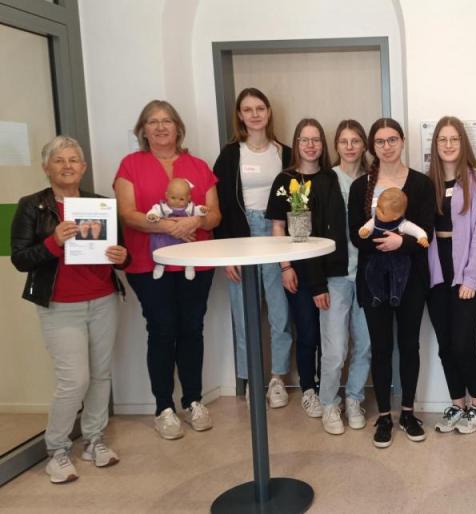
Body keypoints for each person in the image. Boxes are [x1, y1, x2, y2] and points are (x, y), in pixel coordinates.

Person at [11, 136, 130, 483]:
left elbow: (121, 253)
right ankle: (57, 450)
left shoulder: (100, 204)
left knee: (101, 374)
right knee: (74, 380)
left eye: (73, 160)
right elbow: (20, 259)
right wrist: (54, 242)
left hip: (103, 300)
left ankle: (94, 440)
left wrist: (123, 257)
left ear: (83, 167)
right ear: (46, 167)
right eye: (59, 160)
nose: (67, 166)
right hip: (60, 305)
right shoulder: (32, 206)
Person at [114, 100, 222, 440]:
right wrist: (167, 226)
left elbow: (214, 215)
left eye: (167, 121)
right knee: (162, 330)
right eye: (152, 121)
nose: (160, 127)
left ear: (178, 128)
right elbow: (127, 213)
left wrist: (195, 221)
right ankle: (164, 407)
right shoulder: (130, 165)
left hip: (196, 262)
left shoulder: (198, 166)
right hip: (149, 265)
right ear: (143, 130)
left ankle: (193, 401)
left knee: (192, 328)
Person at [348, 118, 435, 448]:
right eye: (380, 141)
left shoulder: (421, 184)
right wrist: (387, 242)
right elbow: (357, 235)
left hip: (411, 280)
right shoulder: (360, 187)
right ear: (373, 146)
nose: (387, 146)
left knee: (410, 346)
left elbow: (425, 234)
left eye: (392, 140)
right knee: (381, 347)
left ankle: (408, 414)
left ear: (402, 142)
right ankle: (384, 416)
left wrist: (403, 242)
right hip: (373, 281)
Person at [212, 87, 294, 409]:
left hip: (276, 234)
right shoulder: (230, 154)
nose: (255, 114)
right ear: (240, 115)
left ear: (269, 111)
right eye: (248, 109)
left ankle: (277, 378)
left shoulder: (284, 153)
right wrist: (226, 255)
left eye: (260, 108)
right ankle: (251, 380)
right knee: (245, 315)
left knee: (279, 311)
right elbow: (220, 205)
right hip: (241, 237)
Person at [264, 118, 347, 431]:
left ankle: (327, 391)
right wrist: (285, 266)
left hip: (329, 269)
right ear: (296, 144)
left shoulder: (330, 178)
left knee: (329, 336)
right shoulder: (285, 180)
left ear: (323, 145)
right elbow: (278, 227)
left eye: (316, 140)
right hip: (297, 269)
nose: (310, 145)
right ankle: (308, 389)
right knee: (307, 331)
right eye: (304, 139)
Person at [426, 116, 476, 435]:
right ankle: (458, 404)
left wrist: (471, 278)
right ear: (435, 145)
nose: (448, 145)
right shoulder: (427, 182)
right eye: (442, 139)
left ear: (463, 142)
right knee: (445, 344)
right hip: (436, 271)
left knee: (462, 343)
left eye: (454, 139)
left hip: (468, 270)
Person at [319, 119, 373, 432]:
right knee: (336, 349)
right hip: (335, 276)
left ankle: (354, 398)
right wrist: (316, 282)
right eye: (344, 141)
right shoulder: (326, 180)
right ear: (336, 146)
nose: (350, 147)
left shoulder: (374, 179)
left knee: (364, 344)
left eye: (355, 141)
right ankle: (329, 403)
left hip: (366, 275)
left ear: (364, 145)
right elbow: (313, 233)